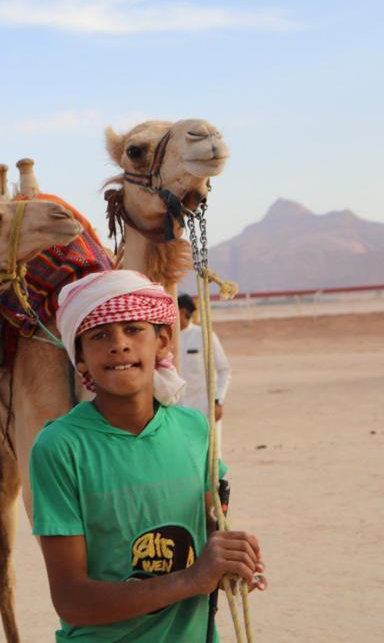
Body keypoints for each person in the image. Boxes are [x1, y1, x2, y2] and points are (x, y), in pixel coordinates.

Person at [29, 270, 265, 642]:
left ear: (162, 342)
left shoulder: (195, 429)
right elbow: (71, 600)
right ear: (81, 358)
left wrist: (231, 562)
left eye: (134, 329)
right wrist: (192, 578)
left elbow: (208, 526)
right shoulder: (60, 447)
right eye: (99, 335)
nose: (119, 345)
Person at [177, 293, 231, 457]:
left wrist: (218, 401)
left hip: (204, 408)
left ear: (182, 312)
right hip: (177, 411)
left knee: (210, 455)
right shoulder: (167, 339)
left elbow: (224, 370)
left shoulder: (204, 335)